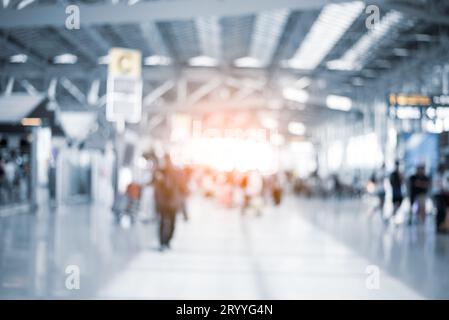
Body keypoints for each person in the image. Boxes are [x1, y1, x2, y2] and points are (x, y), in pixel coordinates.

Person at [154, 154, 182, 251]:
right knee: (163, 222)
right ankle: (163, 242)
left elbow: (173, 187)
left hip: (172, 202)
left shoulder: (174, 172)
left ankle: (167, 241)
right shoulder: (160, 172)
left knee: (172, 223)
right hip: (164, 203)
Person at [432, 163, 446, 233]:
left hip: (442, 195)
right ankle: (438, 227)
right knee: (439, 210)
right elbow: (439, 185)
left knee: (442, 211)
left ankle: (442, 226)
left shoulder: (442, 176)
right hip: (437, 195)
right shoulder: (436, 176)